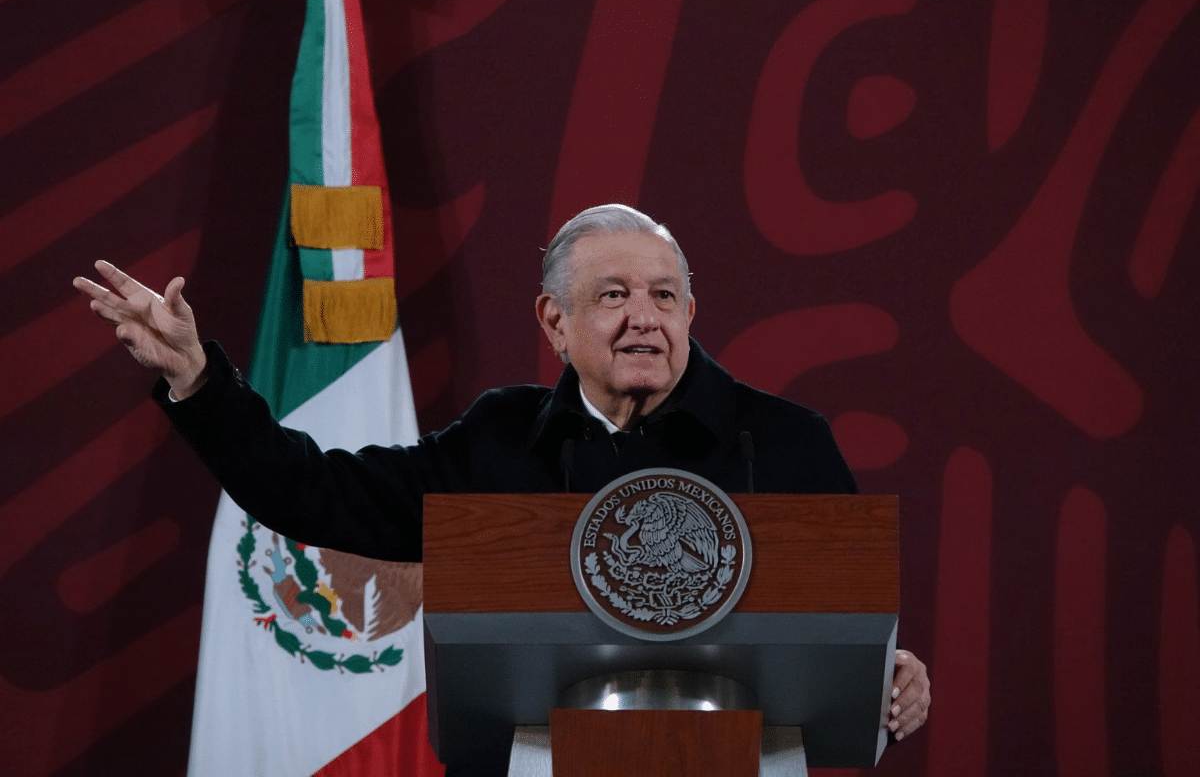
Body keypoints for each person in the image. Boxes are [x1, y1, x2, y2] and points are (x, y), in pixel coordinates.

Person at [74, 203, 930, 760]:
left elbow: (846, 613)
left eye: (666, 296)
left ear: (690, 315)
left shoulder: (784, 442)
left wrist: (890, 669)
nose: (646, 316)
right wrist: (197, 381)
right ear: (555, 322)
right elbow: (313, 492)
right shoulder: (500, 443)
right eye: (614, 295)